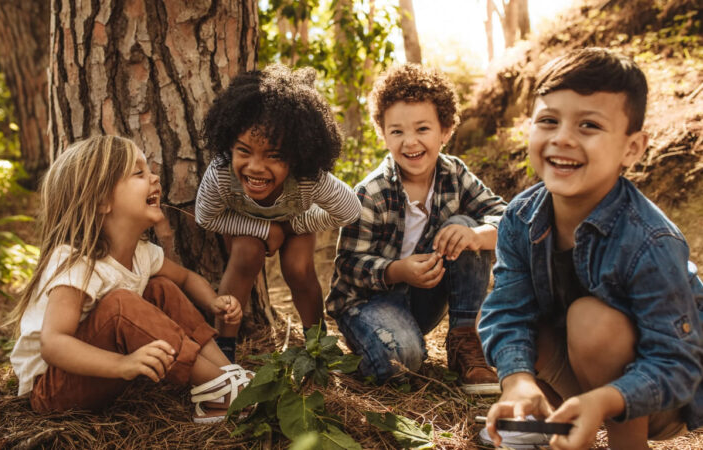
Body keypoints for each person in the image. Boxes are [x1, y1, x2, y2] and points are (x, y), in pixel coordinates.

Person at [479, 48, 703, 450]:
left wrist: (604, 401)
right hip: (580, 365)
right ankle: (544, 434)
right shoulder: (521, 217)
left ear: (631, 149)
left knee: (592, 322)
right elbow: (507, 310)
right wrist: (517, 381)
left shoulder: (651, 240)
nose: (562, 138)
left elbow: (677, 363)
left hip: (659, 393)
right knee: (517, 321)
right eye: (549, 120)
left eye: (589, 125)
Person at [9, 135, 252, 423]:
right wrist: (122, 364)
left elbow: (185, 279)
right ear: (101, 200)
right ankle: (222, 391)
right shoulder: (76, 262)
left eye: (149, 170)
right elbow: (53, 344)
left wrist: (213, 301)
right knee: (122, 304)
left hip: (100, 373)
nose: (154, 178)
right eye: (139, 173)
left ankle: (225, 374)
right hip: (54, 389)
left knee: (161, 288)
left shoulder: (143, 254)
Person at [326, 63, 507, 393]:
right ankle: (381, 346)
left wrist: (478, 235)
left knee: (464, 227)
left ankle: (464, 339)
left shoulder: (455, 174)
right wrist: (397, 271)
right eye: (397, 131)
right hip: (367, 304)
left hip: (423, 299)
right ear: (383, 135)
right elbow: (348, 265)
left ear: (446, 130)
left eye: (422, 129)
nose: (410, 142)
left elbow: (508, 219)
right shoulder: (371, 192)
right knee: (403, 361)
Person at [195, 64, 360, 362]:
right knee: (246, 254)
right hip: (246, 225)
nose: (255, 167)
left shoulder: (309, 178)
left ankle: (317, 346)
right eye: (244, 151)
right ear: (229, 145)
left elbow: (349, 209)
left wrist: (298, 222)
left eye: (274, 156)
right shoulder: (221, 173)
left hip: (295, 221)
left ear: (297, 156)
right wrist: (264, 230)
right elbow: (206, 217)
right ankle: (223, 353)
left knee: (298, 268)